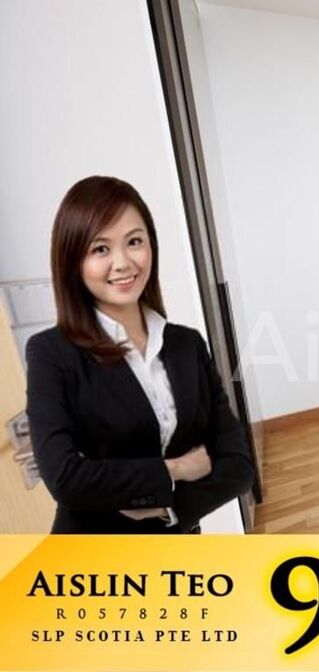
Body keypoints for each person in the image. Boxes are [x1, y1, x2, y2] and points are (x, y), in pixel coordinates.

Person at [25, 176, 255, 533]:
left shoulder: (187, 344)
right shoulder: (51, 353)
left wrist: (169, 510)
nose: (122, 263)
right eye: (100, 249)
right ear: (73, 260)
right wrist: (174, 469)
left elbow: (238, 466)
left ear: (151, 246)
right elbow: (66, 478)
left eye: (134, 242)